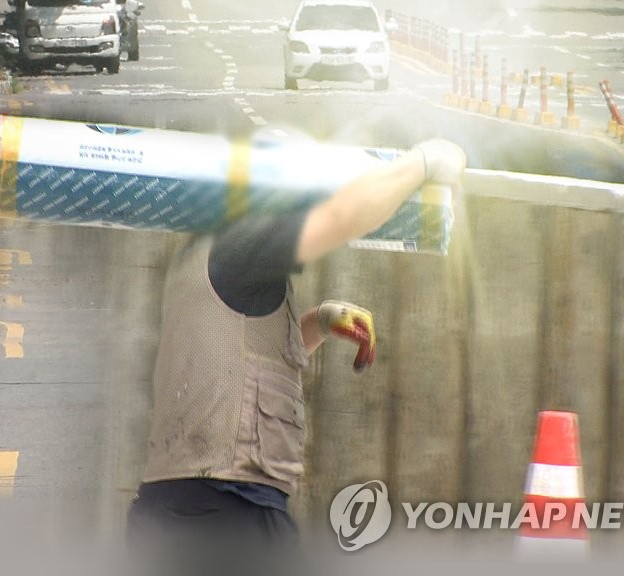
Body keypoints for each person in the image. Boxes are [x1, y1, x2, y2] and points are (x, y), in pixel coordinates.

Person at [125, 138, 467, 572]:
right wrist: (427, 161)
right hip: (226, 510)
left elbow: (235, 363)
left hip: (173, 508)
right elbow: (345, 214)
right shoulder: (242, 242)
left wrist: (319, 324)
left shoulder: (205, 256)